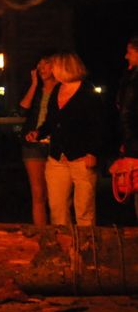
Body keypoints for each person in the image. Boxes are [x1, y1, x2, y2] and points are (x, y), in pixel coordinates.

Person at [29, 52, 104, 227]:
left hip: (81, 157)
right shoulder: (57, 89)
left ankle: (85, 247)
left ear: (65, 67)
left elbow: (98, 125)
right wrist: (39, 133)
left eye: (54, 65)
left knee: (84, 209)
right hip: (57, 156)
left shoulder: (87, 92)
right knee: (57, 207)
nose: (52, 69)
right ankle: (64, 247)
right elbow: (52, 119)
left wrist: (93, 151)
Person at [18, 55, 58, 226]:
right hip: (33, 144)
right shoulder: (36, 90)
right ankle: (41, 233)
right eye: (39, 64)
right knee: (38, 193)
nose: (41, 68)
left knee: (56, 194)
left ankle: (59, 231)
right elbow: (22, 110)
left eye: (46, 64)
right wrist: (34, 84)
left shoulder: (63, 89)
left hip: (56, 143)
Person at [118, 37, 138, 220]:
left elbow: (127, 113)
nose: (126, 56)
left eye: (130, 52)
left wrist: (129, 141)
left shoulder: (133, 81)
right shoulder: (130, 78)